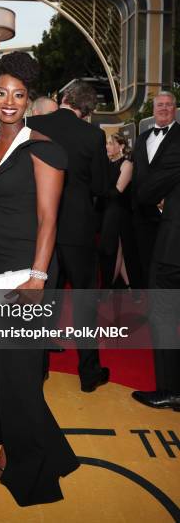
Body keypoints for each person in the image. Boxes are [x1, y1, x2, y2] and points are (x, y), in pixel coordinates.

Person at [0, 52, 79, 505]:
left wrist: (38, 276)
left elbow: (48, 219)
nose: (8, 101)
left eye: (19, 95)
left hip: (26, 274)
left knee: (18, 372)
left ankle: (30, 469)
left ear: (29, 100)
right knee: (9, 371)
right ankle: (44, 450)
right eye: (1, 92)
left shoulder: (43, 147)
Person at [27, 82, 110, 392]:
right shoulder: (93, 135)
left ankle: (36, 372)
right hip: (79, 230)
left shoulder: (32, 124)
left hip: (38, 227)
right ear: (87, 110)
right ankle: (89, 373)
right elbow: (101, 186)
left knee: (40, 301)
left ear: (63, 99)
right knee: (85, 302)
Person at [131, 98, 180, 411]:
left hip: (173, 247)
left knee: (163, 315)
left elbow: (147, 191)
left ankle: (171, 390)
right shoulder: (145, 140)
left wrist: (161, 197)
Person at [132, 91, 180, 287]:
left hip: (170, 214)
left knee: (166, 269)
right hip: (143, 213)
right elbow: (138, 173)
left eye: (169, 104)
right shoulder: (142, 138)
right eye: (160, 105)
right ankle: (149, 308)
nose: (164, 108)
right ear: (153, 110)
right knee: (144, 262)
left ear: (175, 109)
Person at [98, 133, 141, 290]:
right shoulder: (107, 164)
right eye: (107, 143)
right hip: (108, 211)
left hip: (120, 213)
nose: (107, 146)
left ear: (121, 146)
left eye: (110, 143)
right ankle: (129, 285)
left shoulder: (127, 165)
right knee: (117, 252)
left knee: (114, 251)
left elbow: (118, 191)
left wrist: (98, 191)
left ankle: (108, 287)